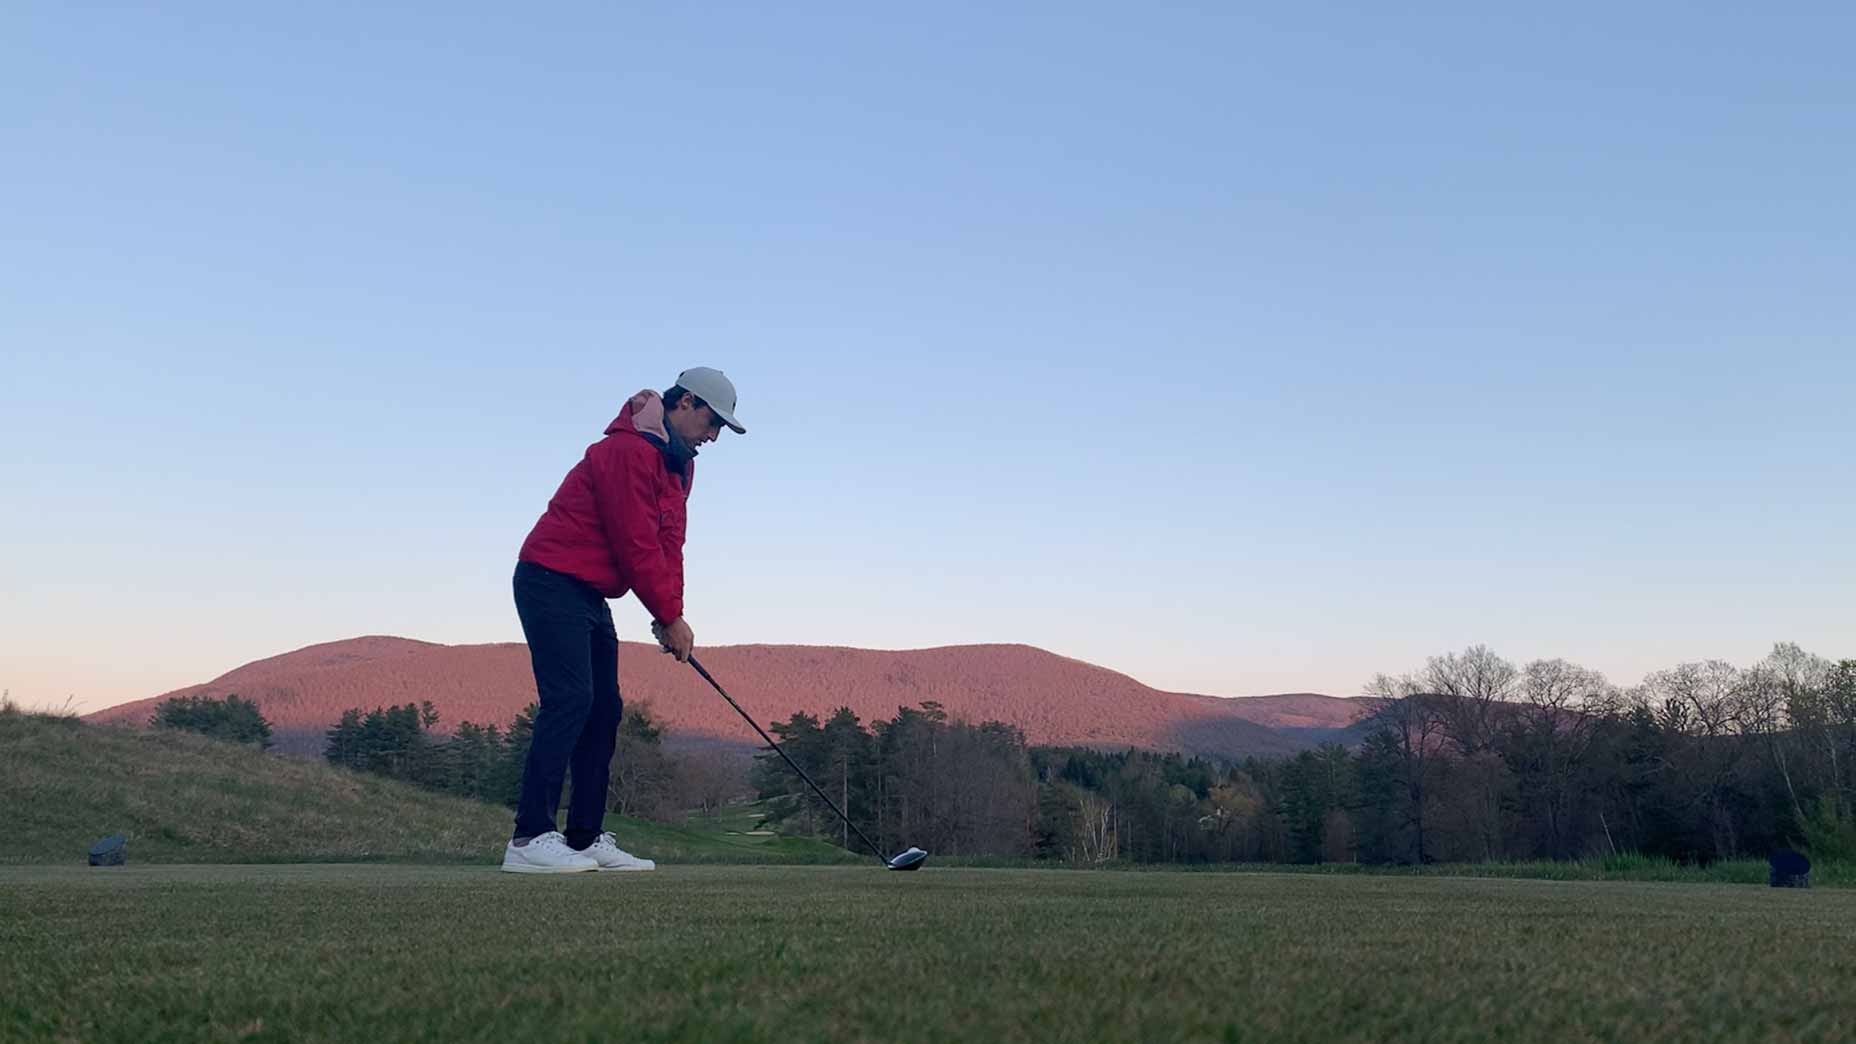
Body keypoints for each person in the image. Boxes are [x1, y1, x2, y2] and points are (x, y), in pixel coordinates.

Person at [500, 367, 746, 873]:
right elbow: (633, 542)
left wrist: (669, 615)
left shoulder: (680, 465)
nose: (715, 435)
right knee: (570, 699)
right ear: (686, 403)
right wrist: (668, 615)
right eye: (713, 420)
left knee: (604, 710)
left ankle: (583, 839)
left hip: (589, 593)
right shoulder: (626, 451)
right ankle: (528, 838)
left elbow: (667, 546)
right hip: (549, 577)